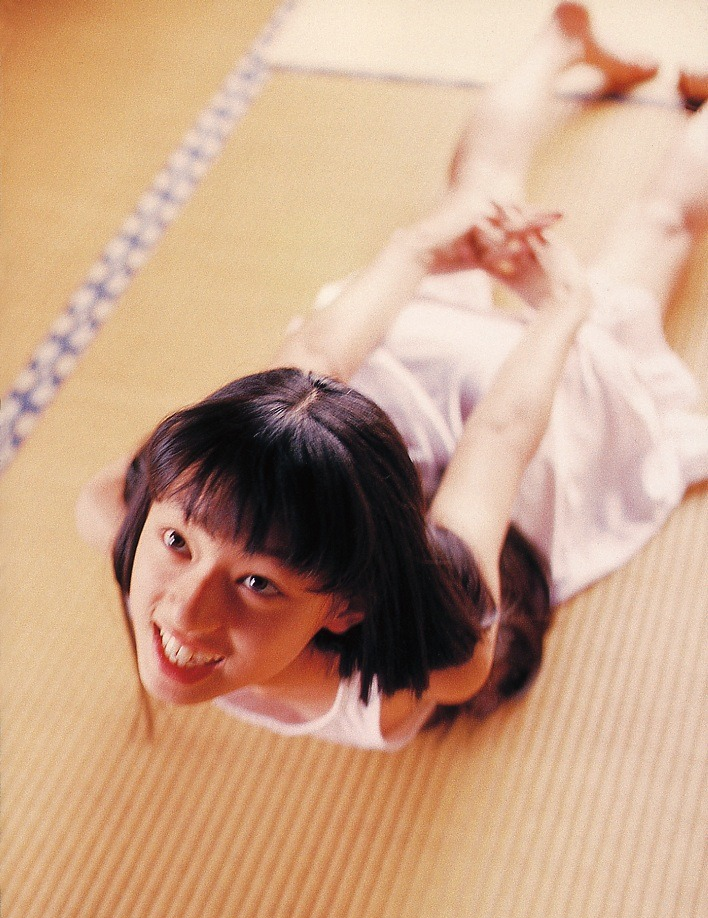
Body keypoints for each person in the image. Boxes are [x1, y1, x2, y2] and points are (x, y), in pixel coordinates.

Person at [76, 4, 708, 750]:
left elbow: (502, 436)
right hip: (399, 373)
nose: (186, 613)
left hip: (483, 390)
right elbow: (303, 380)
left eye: (258, 583)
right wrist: (416, 251)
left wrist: (566, 309)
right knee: (507, 200)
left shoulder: (434, 661)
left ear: (347, 605)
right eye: (178, 540)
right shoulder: (122, 508)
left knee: (646, 224)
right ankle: (562, 41)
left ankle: (563, 45)